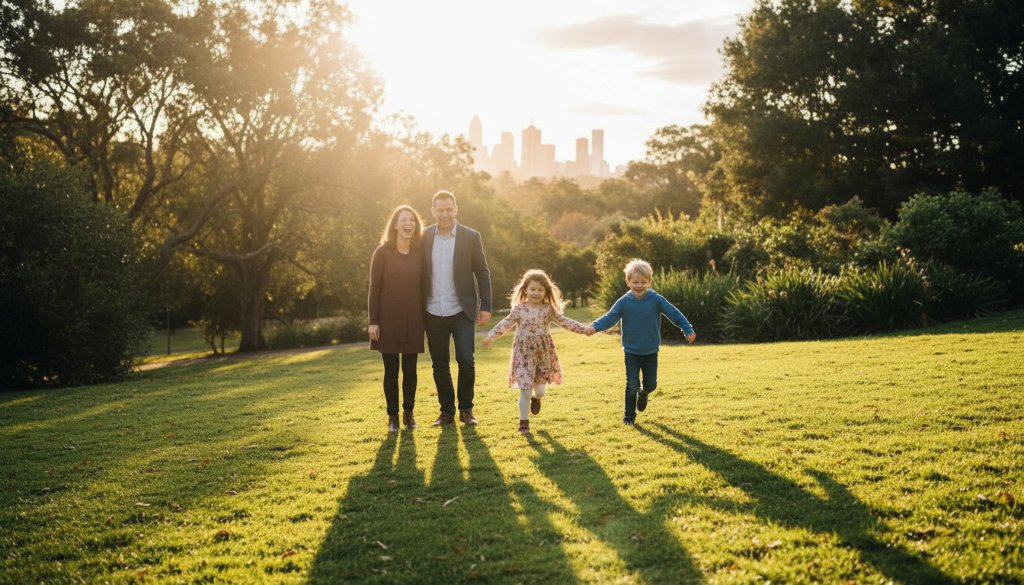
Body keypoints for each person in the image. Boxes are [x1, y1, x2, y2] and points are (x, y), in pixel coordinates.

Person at [587, 258, 697, 425]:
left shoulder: (656, 299)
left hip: (651, 351)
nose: (639, 285)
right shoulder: (624, 302)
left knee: (651, 384)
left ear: (649, 282)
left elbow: (674, 313)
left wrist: (687, 329)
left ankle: (644, 393)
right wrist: (594, 327)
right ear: (628, 282)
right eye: (635, 282)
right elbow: (610, 318)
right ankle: (629, 417)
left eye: (643, 282)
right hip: (631, 351)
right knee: (631, 384)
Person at [482, 270, 590, 435]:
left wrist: (584, 329)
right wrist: (491, 336)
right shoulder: (519, 310)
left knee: (539, 391)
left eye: (540, 289)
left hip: (542, 354)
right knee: (525, 389)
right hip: (523, 354)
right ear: (525, 289)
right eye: (532, 289)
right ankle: (524, 424)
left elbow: (564, 322)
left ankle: (536, 398)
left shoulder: (548, 310)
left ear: (546, 291)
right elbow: (505, 323)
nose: (536, 293)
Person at [421, 190, 492, 426]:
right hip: (432, 311)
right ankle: (447, 412)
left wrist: (486, 306)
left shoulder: (471, 237)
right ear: (433, 211)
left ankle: (466, 410)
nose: (444, 214)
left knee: (465, 360)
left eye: (448, 209)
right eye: (440, 210)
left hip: (462, 310)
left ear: (456, 209)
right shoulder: (423, 237)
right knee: (439, 364)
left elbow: (482, 272)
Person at [368, 205, 425, 432]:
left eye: (412, 220)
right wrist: (373, 321)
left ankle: (408, 414)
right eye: (404, 219)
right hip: (387, 319)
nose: (408, 223)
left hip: (414, 320)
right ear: (395, 224)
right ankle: (392, 417)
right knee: (391, 371)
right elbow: (374, 289)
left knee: (410, 371)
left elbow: (424, 287)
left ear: (415, 225)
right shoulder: (382, 253)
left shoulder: (420, 253)